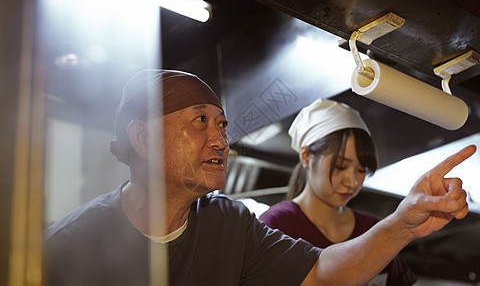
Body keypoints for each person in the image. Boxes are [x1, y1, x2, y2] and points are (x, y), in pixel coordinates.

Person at [43, 69, 476, 286]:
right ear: (142, 138)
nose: (220, 140)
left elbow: (322, 274)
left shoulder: (227, 224)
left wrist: (401, 224)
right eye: (199, 122)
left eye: (223, 125)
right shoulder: (68, 247)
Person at [259, 99, 417, 285]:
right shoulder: (277, 226)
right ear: (306, 157)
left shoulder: (374, 229)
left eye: (361, 170)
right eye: (341, 166)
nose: (352, 182)